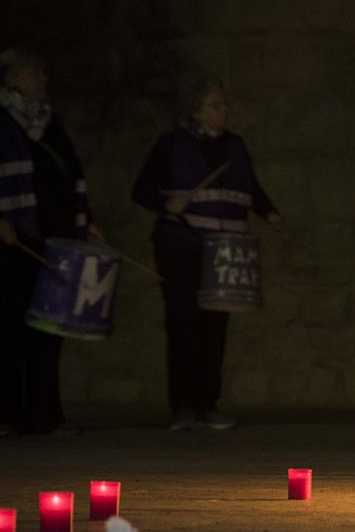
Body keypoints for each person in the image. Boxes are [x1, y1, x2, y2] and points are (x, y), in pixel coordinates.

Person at [132, 76, 280, 431]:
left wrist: (269, 211)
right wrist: (167, 204)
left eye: (224, 104)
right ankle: (183, 406)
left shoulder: (234, 146)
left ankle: (207, 403)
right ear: (195, 111)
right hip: (181, 243)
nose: (224, 110)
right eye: (215, 105)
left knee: (216, 324)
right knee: (184, 321)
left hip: (224, 250)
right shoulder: (171, 145)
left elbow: (250, 186)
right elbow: (141, 191)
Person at [0, 47, 99, 437]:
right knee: (9, 327)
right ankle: (7, 414)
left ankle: (45, 415)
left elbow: (72, 173)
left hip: (55, 240)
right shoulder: (3, 122)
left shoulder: (50, 123)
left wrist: (86, 220)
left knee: (49, 329)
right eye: (35, 73)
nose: (44, 80)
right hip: (13, 239)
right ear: (11, 80)